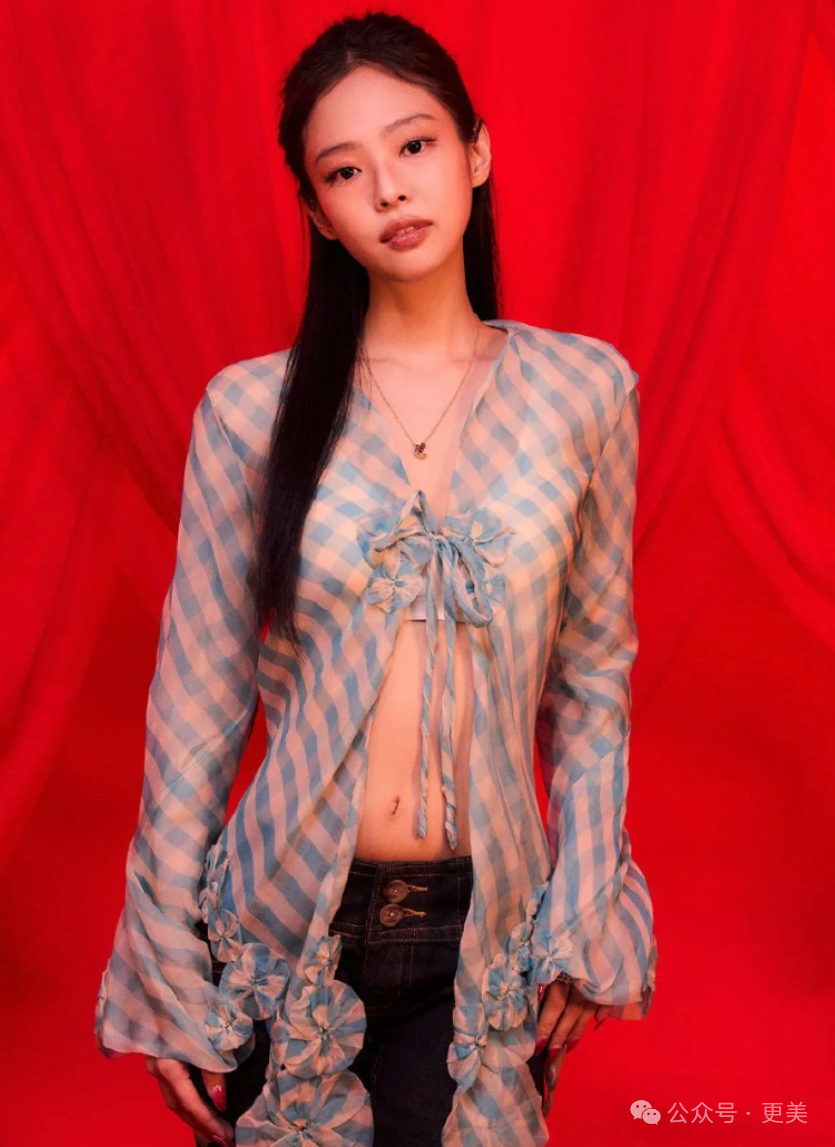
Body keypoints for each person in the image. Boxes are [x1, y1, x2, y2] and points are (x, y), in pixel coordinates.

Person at [93, 11, 657, 1147]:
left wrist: (585, 904)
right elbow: (196, 707)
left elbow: (593, 682)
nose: (389, 188)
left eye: (414, 146)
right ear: (317, 211)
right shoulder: (250, 411)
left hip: (483, 923)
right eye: (345, 171)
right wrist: (164, 964)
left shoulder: (583, 392)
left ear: (475, 152)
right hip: (281, 920)